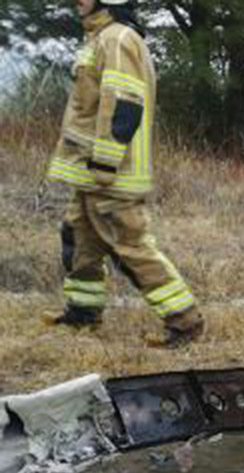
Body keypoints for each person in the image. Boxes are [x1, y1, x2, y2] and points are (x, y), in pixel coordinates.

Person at [44, 0, 203, 348]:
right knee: (79, 237)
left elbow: (123, 104)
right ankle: (83, 313)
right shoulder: (101, 38)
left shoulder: (118, 39)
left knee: (130, 246)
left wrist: (104, 162)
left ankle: (184, 322)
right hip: (91, 171)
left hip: (110, 173)